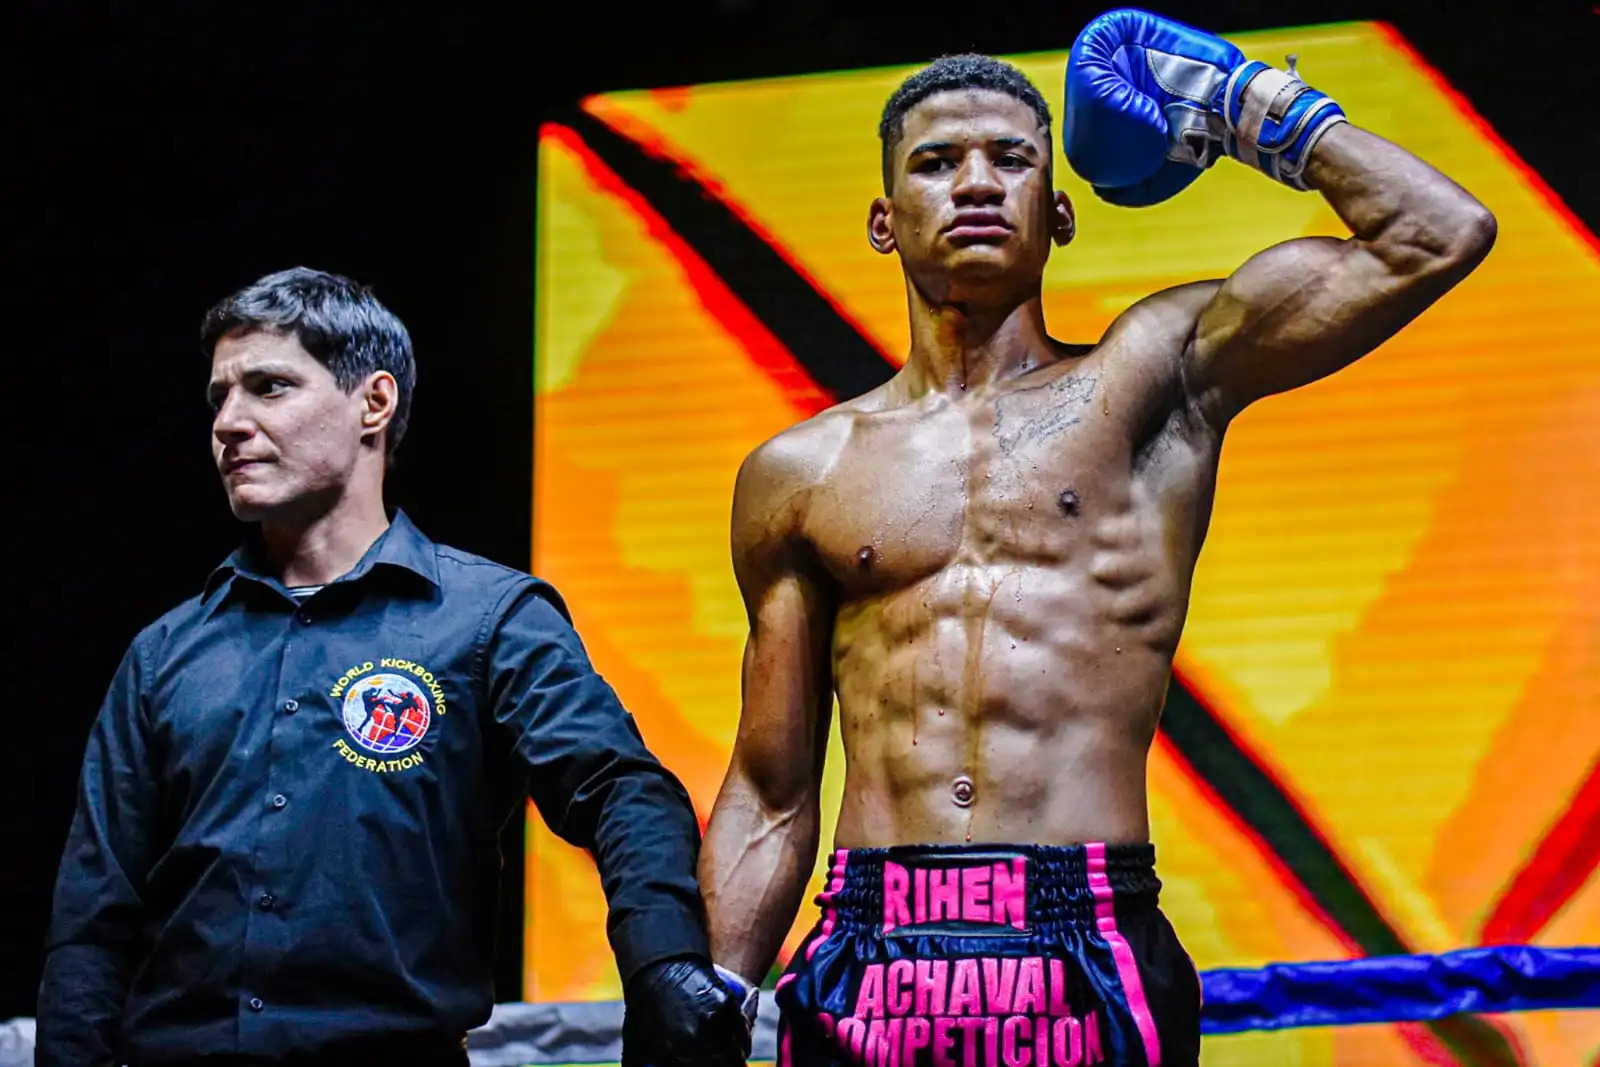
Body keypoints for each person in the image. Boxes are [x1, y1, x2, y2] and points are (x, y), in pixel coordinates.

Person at [700, 10, 1495, 1067]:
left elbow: (1437, 232)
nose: (975, 183)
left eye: (1010, 159)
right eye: (936, 163)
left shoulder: (1154, 376)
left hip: (1085, 937)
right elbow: (770, 789)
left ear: (1061, 210)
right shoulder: (800, 471)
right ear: (884, 221)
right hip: (867, 946)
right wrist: (710, 997)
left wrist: (1244, 103)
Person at [37, 267, 753, 1067]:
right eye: (219, 398)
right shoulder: (164, 654)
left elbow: (620, 789)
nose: (229, 422)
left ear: (373, 403)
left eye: (268, 387)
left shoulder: (487, 619)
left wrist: (664, 965)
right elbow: (93, 918)